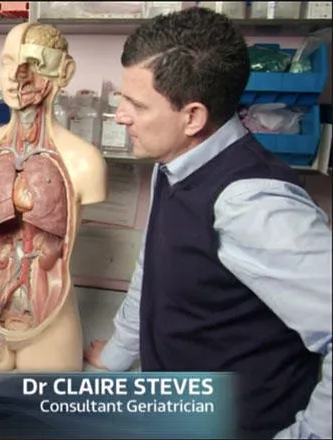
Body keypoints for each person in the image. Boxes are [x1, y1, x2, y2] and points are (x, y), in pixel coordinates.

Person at [83, 8, 331, 440]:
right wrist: (119, 355)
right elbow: (154, 267)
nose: (120, 116)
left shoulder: (251, 204)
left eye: (137, 105)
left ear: (192, 117)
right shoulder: (175, 161)